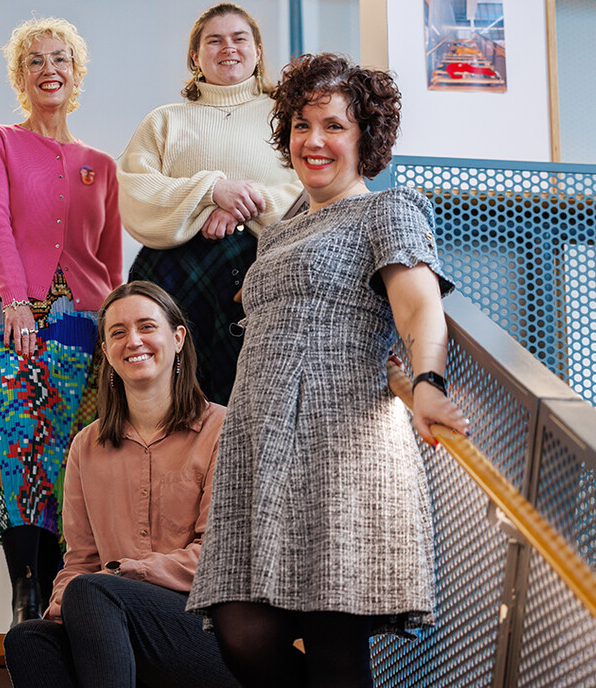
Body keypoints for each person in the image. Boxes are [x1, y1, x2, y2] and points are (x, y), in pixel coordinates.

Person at [186, 53, 472, 688]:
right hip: (260, 444)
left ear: (365, 137)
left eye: (334, 126)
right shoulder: (286, 223)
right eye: (300, 126)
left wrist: (427, 382)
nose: (313, 141)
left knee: (332, 637)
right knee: (240, 629)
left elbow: (420, 304)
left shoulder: (388, 210)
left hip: (338, 444)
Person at [0, 16, 122, 626]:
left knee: (75, 457)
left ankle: (62, 595)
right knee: (20, 455)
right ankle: (26, 594)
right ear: (20, 77)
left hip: (84, 320)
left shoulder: (100, 163)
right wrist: (18, 301)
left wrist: (117, 323)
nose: (49, 69)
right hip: (12, 315)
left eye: (60, 60)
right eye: (34, 61)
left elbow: (109, 258)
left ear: (76, 75)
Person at [3, 281, 238, 688]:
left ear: (177, 338)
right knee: (28, 638)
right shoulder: (86, 446)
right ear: (108, 352)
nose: (133, 341)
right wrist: (63, 601)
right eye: (118, 333)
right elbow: (79, 561)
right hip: (106, 617)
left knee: (95, 592)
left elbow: (218, 557)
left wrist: (130, 574)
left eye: (147, 327)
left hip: (205, 630)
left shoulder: (223, 428)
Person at [118, 1, 302, 406]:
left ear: (257, 51)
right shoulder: (164, 121)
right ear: (195, 56)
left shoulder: (287, 117)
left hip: (261, 272)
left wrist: (237, 205)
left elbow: (307, 188)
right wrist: (210, 190)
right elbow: (135, 192)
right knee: (168, 404)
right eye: (214, 40)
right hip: (174, 275)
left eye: (239, 38)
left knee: (250, 403)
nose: (228, 48)